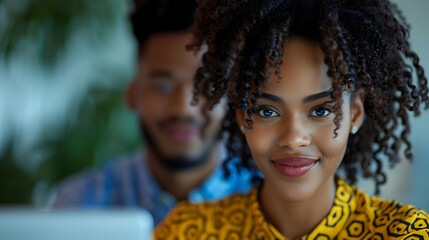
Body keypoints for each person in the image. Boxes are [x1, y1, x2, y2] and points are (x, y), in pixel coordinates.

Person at [154, 0, 429, 239]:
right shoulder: (187, 231)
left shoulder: (402, 232)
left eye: (320, 111)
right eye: (267, 111)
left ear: (355, 114)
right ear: (241, 115)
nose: (294, 138)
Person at [52, 0, 253, 225]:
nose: (183, 108)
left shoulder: (274, 204)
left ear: (234, 99)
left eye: (208, 87)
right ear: (132, 94)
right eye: (163, 86)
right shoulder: (78, 206)